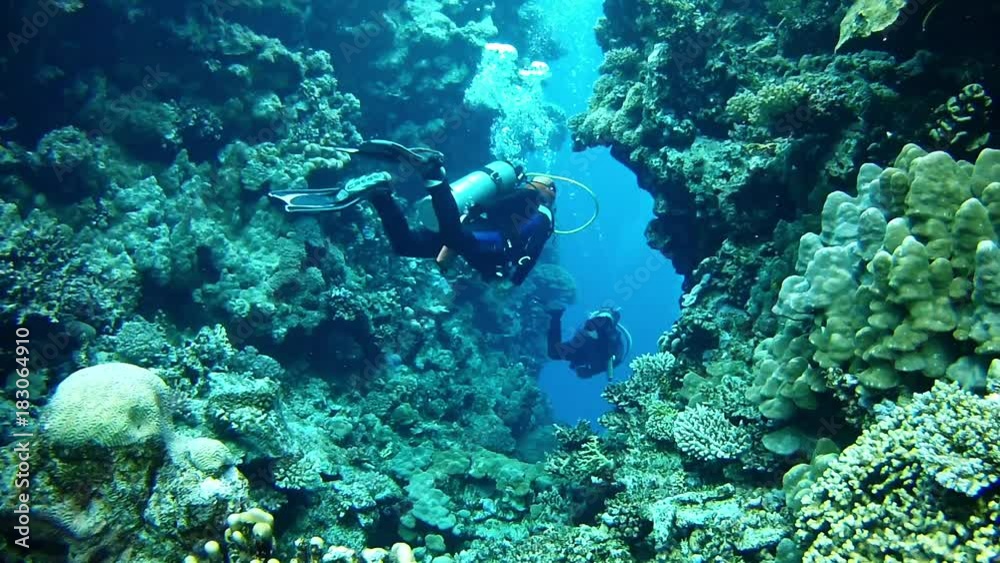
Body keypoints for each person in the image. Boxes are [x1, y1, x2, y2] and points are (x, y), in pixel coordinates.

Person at [269, 140, 556, 285]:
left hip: (475, 232)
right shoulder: (542, 211)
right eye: (552, 189)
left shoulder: (517, 192)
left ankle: (381, 195)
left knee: (405, 245)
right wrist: (515, 280)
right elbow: (532, 251)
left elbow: (484, 212)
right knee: (454, 236)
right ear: (547, 189)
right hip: (491, 242)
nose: (552, 195)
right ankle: (433, 174)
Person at [547, 306, 629, 379]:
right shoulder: (585, 338)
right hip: (587, 348)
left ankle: (555, 315)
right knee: (554, 353)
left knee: (554, 353)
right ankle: (555, 315)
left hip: (590, 352)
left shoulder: (613, 342)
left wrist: (591, 371)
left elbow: (617, 359)